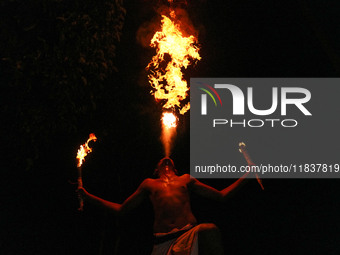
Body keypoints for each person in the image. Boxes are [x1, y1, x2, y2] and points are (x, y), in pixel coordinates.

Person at [78, 157, 253, 255]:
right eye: (162, 161)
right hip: (163, 242)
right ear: (157, 169)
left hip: (188, 234)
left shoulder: (185, 179)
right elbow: (122, 209)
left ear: (175, 168)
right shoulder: (149, 184)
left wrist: (248, 175)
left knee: (209, 229)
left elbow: (221, 196)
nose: (166, 160)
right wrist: (88, 197)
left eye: (169, 161)